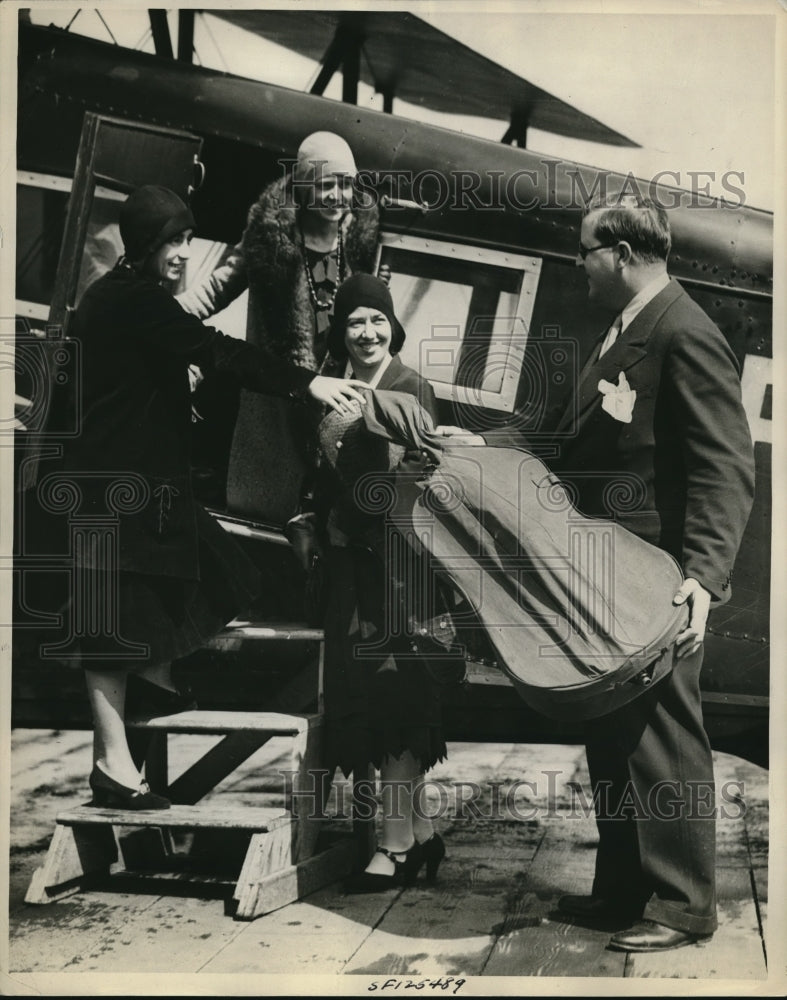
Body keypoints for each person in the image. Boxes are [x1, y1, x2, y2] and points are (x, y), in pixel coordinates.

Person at [445, 194, 755, 952]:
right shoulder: (624, 329)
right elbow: (561, 435)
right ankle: (622, 892)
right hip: (606, 576)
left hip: (656, 579)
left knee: (662, 737)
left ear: (619, 253)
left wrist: (701, 579)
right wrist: (475, 445)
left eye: (583, 251)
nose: (575, 265)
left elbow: (725, 467)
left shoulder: (683, 332)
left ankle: (683, 904)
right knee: (615, 735)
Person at [42, 185, 367, 811]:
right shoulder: (131, 298)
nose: (184, 254)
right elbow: (218, 350)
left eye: (187, 240)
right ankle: (112, 765)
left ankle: (155, 696)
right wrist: (311, 385)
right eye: (174, 241)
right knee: (112, 630)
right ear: (145, 243)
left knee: (216, 575)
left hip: (140, 491)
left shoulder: (122, 298)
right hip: (113, 492)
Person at [314, 274, 447, 891]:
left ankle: (392, 848)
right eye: (353, 323)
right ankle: (417, 835)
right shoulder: (330, 387)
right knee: (372, 693)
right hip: (351, 565)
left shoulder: (410, 387)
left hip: (400, 567)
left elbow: (423, 477)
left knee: (396, 693)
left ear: (393, 325)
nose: (366, 333)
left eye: (376, 321)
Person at [176, 130, 382, 521]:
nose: (339, 195)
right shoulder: (268, 239)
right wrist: (154, 314)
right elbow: (217, 289)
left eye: (346, 184)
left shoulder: (360, 241)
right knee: (264, 510)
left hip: (336, 395)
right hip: (273, 402)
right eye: (327, 184)